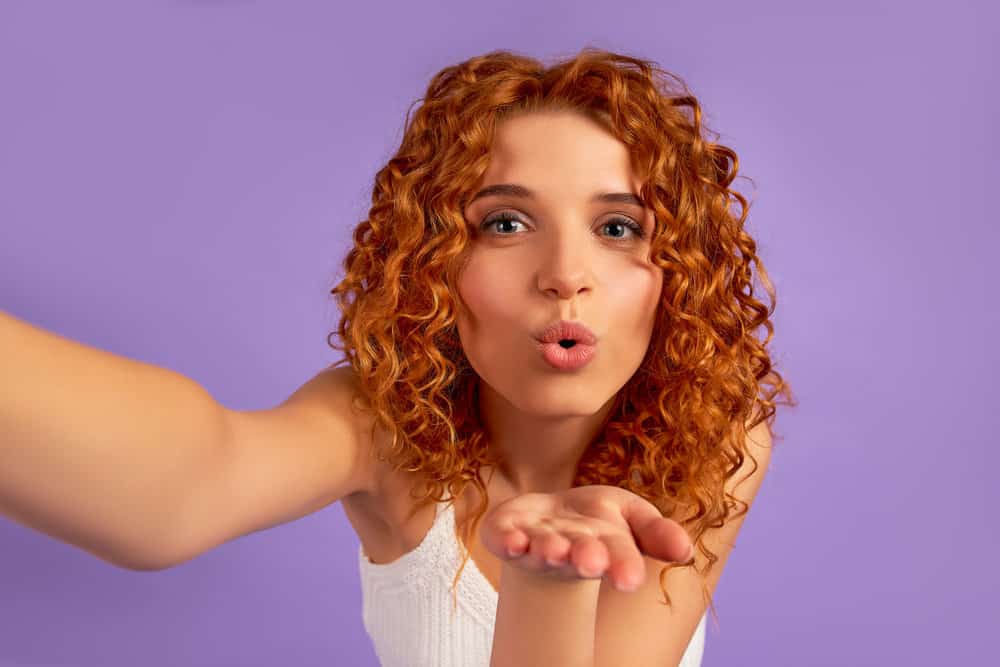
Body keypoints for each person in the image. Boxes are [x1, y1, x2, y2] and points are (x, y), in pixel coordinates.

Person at [0, 47, 795, 667]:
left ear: (678, 274)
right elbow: (191, 478)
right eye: (506, 224)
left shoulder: (717, 432)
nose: (566, 275)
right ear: (435, 263)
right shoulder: (382, 424)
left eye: (618, 228)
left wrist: (549, 580)